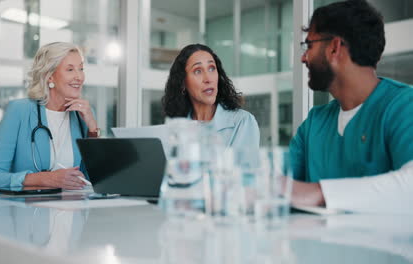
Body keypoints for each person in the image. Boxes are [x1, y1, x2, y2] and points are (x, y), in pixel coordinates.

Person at [290, 0, 413, 213]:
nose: (303, 57)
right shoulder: (314, 122)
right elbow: (274, 182)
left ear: (334, 48)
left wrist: (319, 193)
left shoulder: (404, 106)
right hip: (314, 245)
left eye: (309, 45)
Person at [0, 42, 100, 190]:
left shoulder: (82, 114)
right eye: (70, 69)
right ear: (49, 76)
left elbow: (95, 178)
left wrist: (93, 128)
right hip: (29, 210)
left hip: (74, 209)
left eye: (81, 69)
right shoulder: (19, 111)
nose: (79, 77)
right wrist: (45, 179)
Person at [162, 43, 260, 150]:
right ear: (183, 83)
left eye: (212, 68)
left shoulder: (242, 122)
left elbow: (244, 166)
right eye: (198, 71)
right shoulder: (177, 128)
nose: (208, 79)